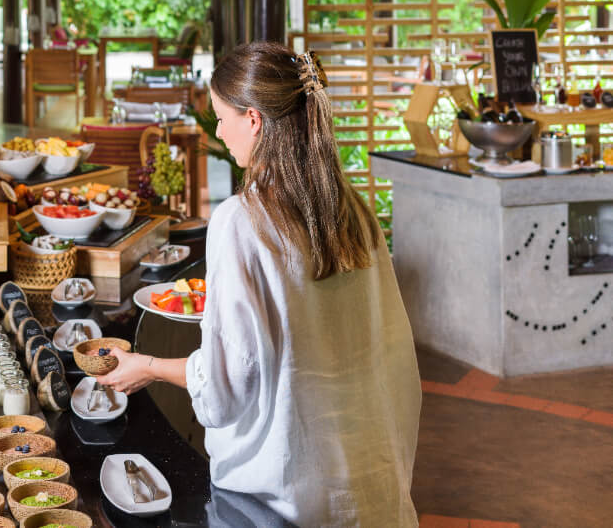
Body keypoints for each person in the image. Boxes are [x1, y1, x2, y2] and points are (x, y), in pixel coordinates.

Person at [96, 41, 422, 527]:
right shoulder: (355, 209)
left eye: (222, 117)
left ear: (254, 118)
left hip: (282, 491)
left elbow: (227, 388)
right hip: (366, 480)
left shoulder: (241, 220)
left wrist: (146, 366)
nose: (219, 132)